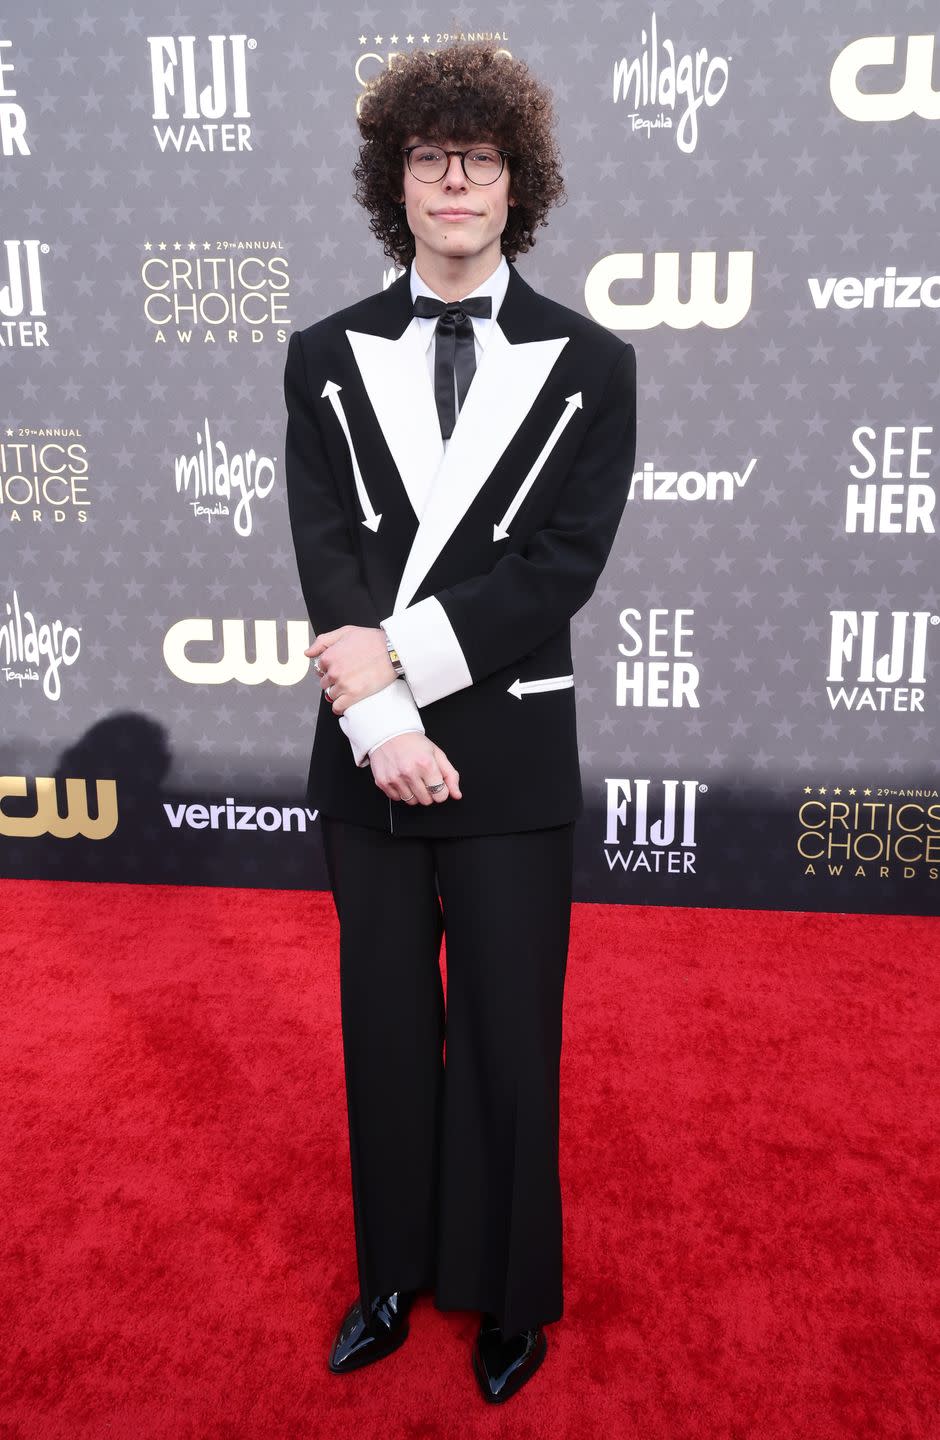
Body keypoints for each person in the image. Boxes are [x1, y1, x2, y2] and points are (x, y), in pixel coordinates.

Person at [283, 40, 636, 1404]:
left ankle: (507, 1293)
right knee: (381, 1024)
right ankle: (390, 1273)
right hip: (369, 750)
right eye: (428, 160)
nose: (452, 182)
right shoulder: (321, 355)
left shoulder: (592, 362)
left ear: (517, 183)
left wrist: (406, 675)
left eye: (476, 160)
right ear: (396, 184)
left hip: (504, 745)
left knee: (507, 1028)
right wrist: (377, 721)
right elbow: (327, 551)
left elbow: (560, 564)